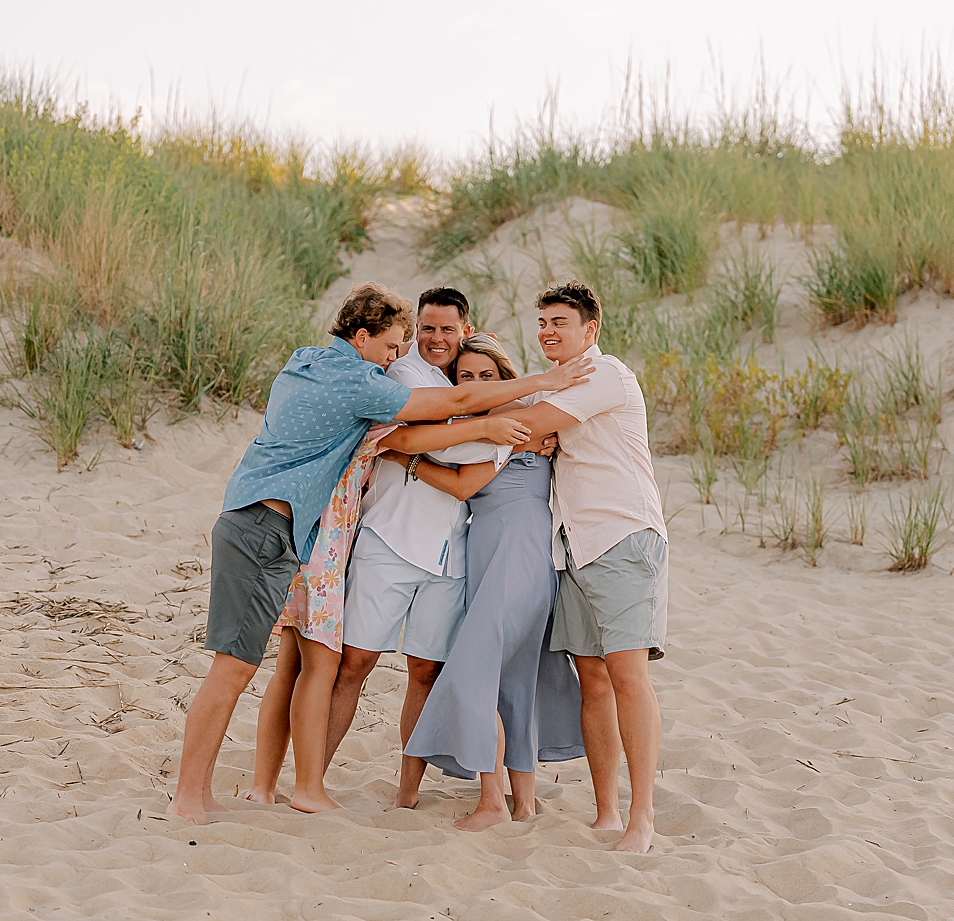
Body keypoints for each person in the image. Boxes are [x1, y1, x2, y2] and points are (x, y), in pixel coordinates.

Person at [166, 283, 591, 825]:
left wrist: (511, 430)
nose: (398, 357)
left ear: (466, 329)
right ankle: (203, 794)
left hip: (298, 531)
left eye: (408, 345)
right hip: (274, 525)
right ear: (362, 337)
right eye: (394, 345)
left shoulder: (308, 362)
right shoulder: (365, 382)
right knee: (244, 667)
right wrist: (519, 418)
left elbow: (450, 416)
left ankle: (264, 787)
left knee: (289, 662)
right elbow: (437, 424)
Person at [243, 287, 515, 812]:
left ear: (466, 329)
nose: (437, 339)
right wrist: (504, 435)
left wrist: (497, 429)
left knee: (425, 671)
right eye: (428, 328)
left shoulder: (474, 376)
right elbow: (415, 440)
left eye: (447, 329)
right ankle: (309, 782)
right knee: (353, 663)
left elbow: (455, 452)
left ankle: (406, 795)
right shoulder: (402, 374)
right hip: (388, 540)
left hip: (449, 554)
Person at [491, 281, 669, 851]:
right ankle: (607, 813)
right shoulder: (565, 383)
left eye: (560, 322)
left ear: (590, 329)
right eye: (542, 322)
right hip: (575, 546)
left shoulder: (604, 375)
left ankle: (642, 818)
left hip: (621, 537)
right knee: (592, 678)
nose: (547, 331)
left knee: (626, 676)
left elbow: (528, 424)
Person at [403, 334, 587, 830]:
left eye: (488, 376)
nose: (478, 384)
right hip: (491, 551)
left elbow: (461, 482)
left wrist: (405, 461)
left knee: (473, 669)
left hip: (517, 550)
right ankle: (521, 803)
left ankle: (490, 802)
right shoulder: (471, 426)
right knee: (515, 679)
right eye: (466, 377)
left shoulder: (520, 420)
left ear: (505, 377)